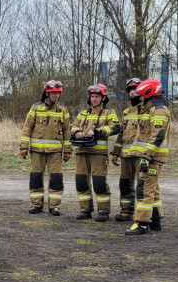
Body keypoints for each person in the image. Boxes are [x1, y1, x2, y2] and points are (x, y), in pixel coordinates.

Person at [123, 78, 170, 235]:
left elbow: (157, 136)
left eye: (142, 95)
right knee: (153, 189)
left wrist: (146, 156)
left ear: (149, 94)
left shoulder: (158, 110)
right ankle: (155, 221)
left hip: (152, 158)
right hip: (148, 156)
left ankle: (141, 223)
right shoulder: (149, 109)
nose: (140, 98)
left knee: (144, 189)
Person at [19, 79, 72, 215]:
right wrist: (24, 146)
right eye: (53, 93)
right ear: (47, 93)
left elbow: (67, 131)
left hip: (55, 153)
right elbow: (27, 128)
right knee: (36, 178)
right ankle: (36, 205)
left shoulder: (63, 110)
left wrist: (67, 150)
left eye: (58, 93)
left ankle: (54, 206)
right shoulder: (35, 108)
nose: (56, 96)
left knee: (56, 179)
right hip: (37, 152)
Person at [70, 84, 118, 221]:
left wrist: (97, 132)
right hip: (81, 152)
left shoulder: (109, 112)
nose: (94, 99)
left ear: (103, 98)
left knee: (99, 182)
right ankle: (85, 210)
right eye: (92, 96)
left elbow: (115, 127)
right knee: (81, 182)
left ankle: (103, 211)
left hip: (98, 153)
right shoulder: (83, 113)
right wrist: (77, 132)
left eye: (97, 96)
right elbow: (73, 126)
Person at [110, 77, 144, 222]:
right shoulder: (126, 112)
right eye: (130, 90)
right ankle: (126, 212)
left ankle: (144, 215)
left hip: (142, 155)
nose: (132, 93)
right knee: (124, 184)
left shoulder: (148, 110)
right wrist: (115, 152)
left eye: (135, 89)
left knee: (143, 186)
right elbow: (122, 133)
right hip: (126, 155)